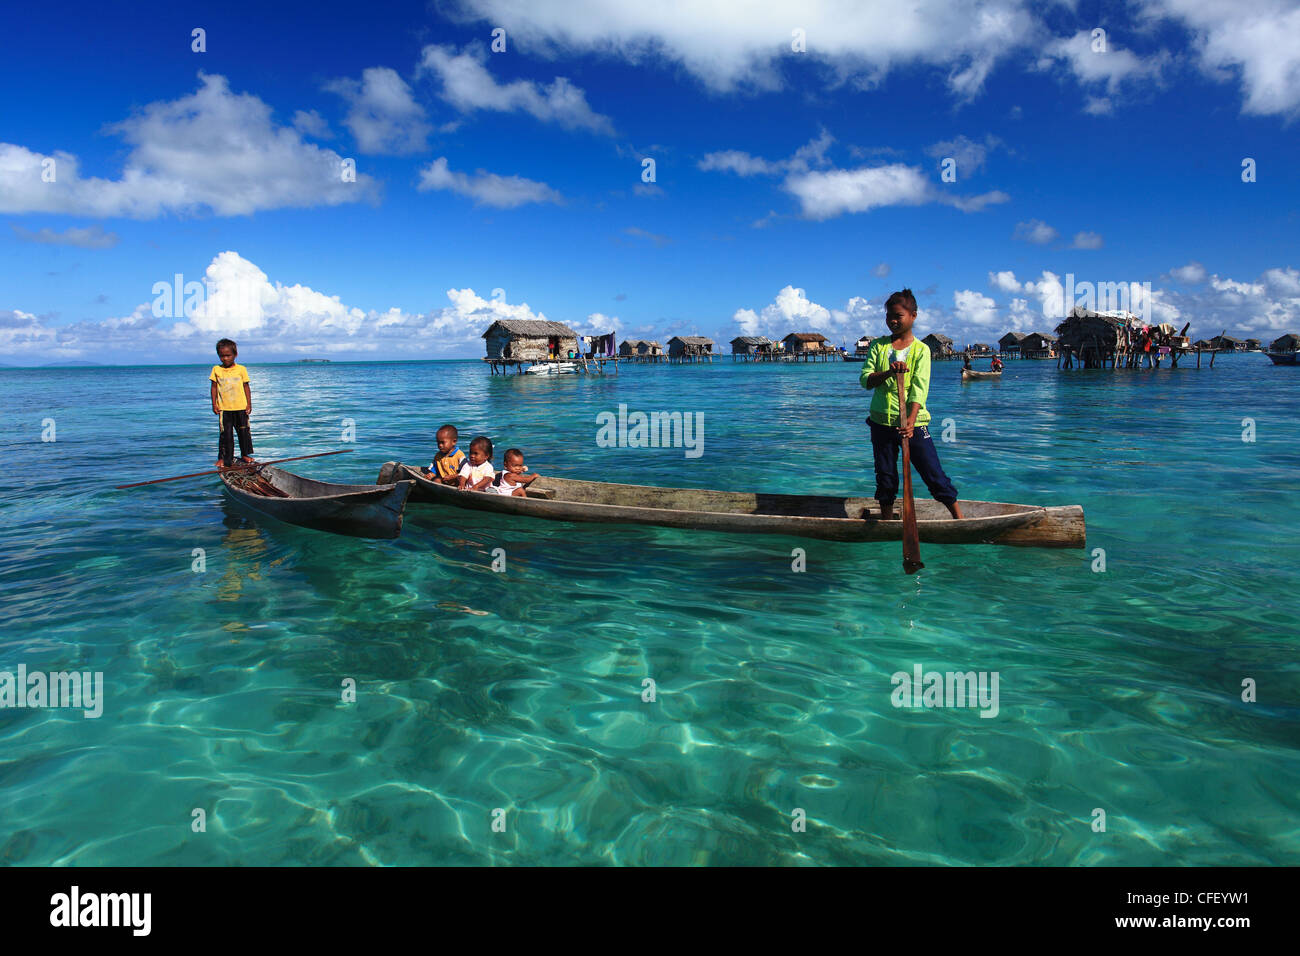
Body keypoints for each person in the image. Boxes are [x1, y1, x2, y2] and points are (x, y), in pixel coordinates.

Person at [860, 289, 964, 521]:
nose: (892, 321)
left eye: (898, 315)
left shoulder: (921, 350)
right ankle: (887, 521)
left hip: (913, 424)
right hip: (881, 422)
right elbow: (865, 380)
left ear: (913, 316)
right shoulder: (878, 347)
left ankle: (959, 520)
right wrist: (888, 372)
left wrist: (911, 420)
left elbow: (919, 388)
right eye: (889, 316)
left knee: (933, 474)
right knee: (885, 477)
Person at [209, 338, 254, 469]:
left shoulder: (241, 369)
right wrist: (214, 404)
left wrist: (249, 404)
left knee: (244, 433)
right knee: (226, 435)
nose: (225, 359)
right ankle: (224, 458)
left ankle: (245, 454)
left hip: (241, 407)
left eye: (228, 355)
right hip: (224, 409)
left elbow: (246, 387)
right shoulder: (216, 370)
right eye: (222, 356)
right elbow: (214, 387)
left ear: (235, 355)